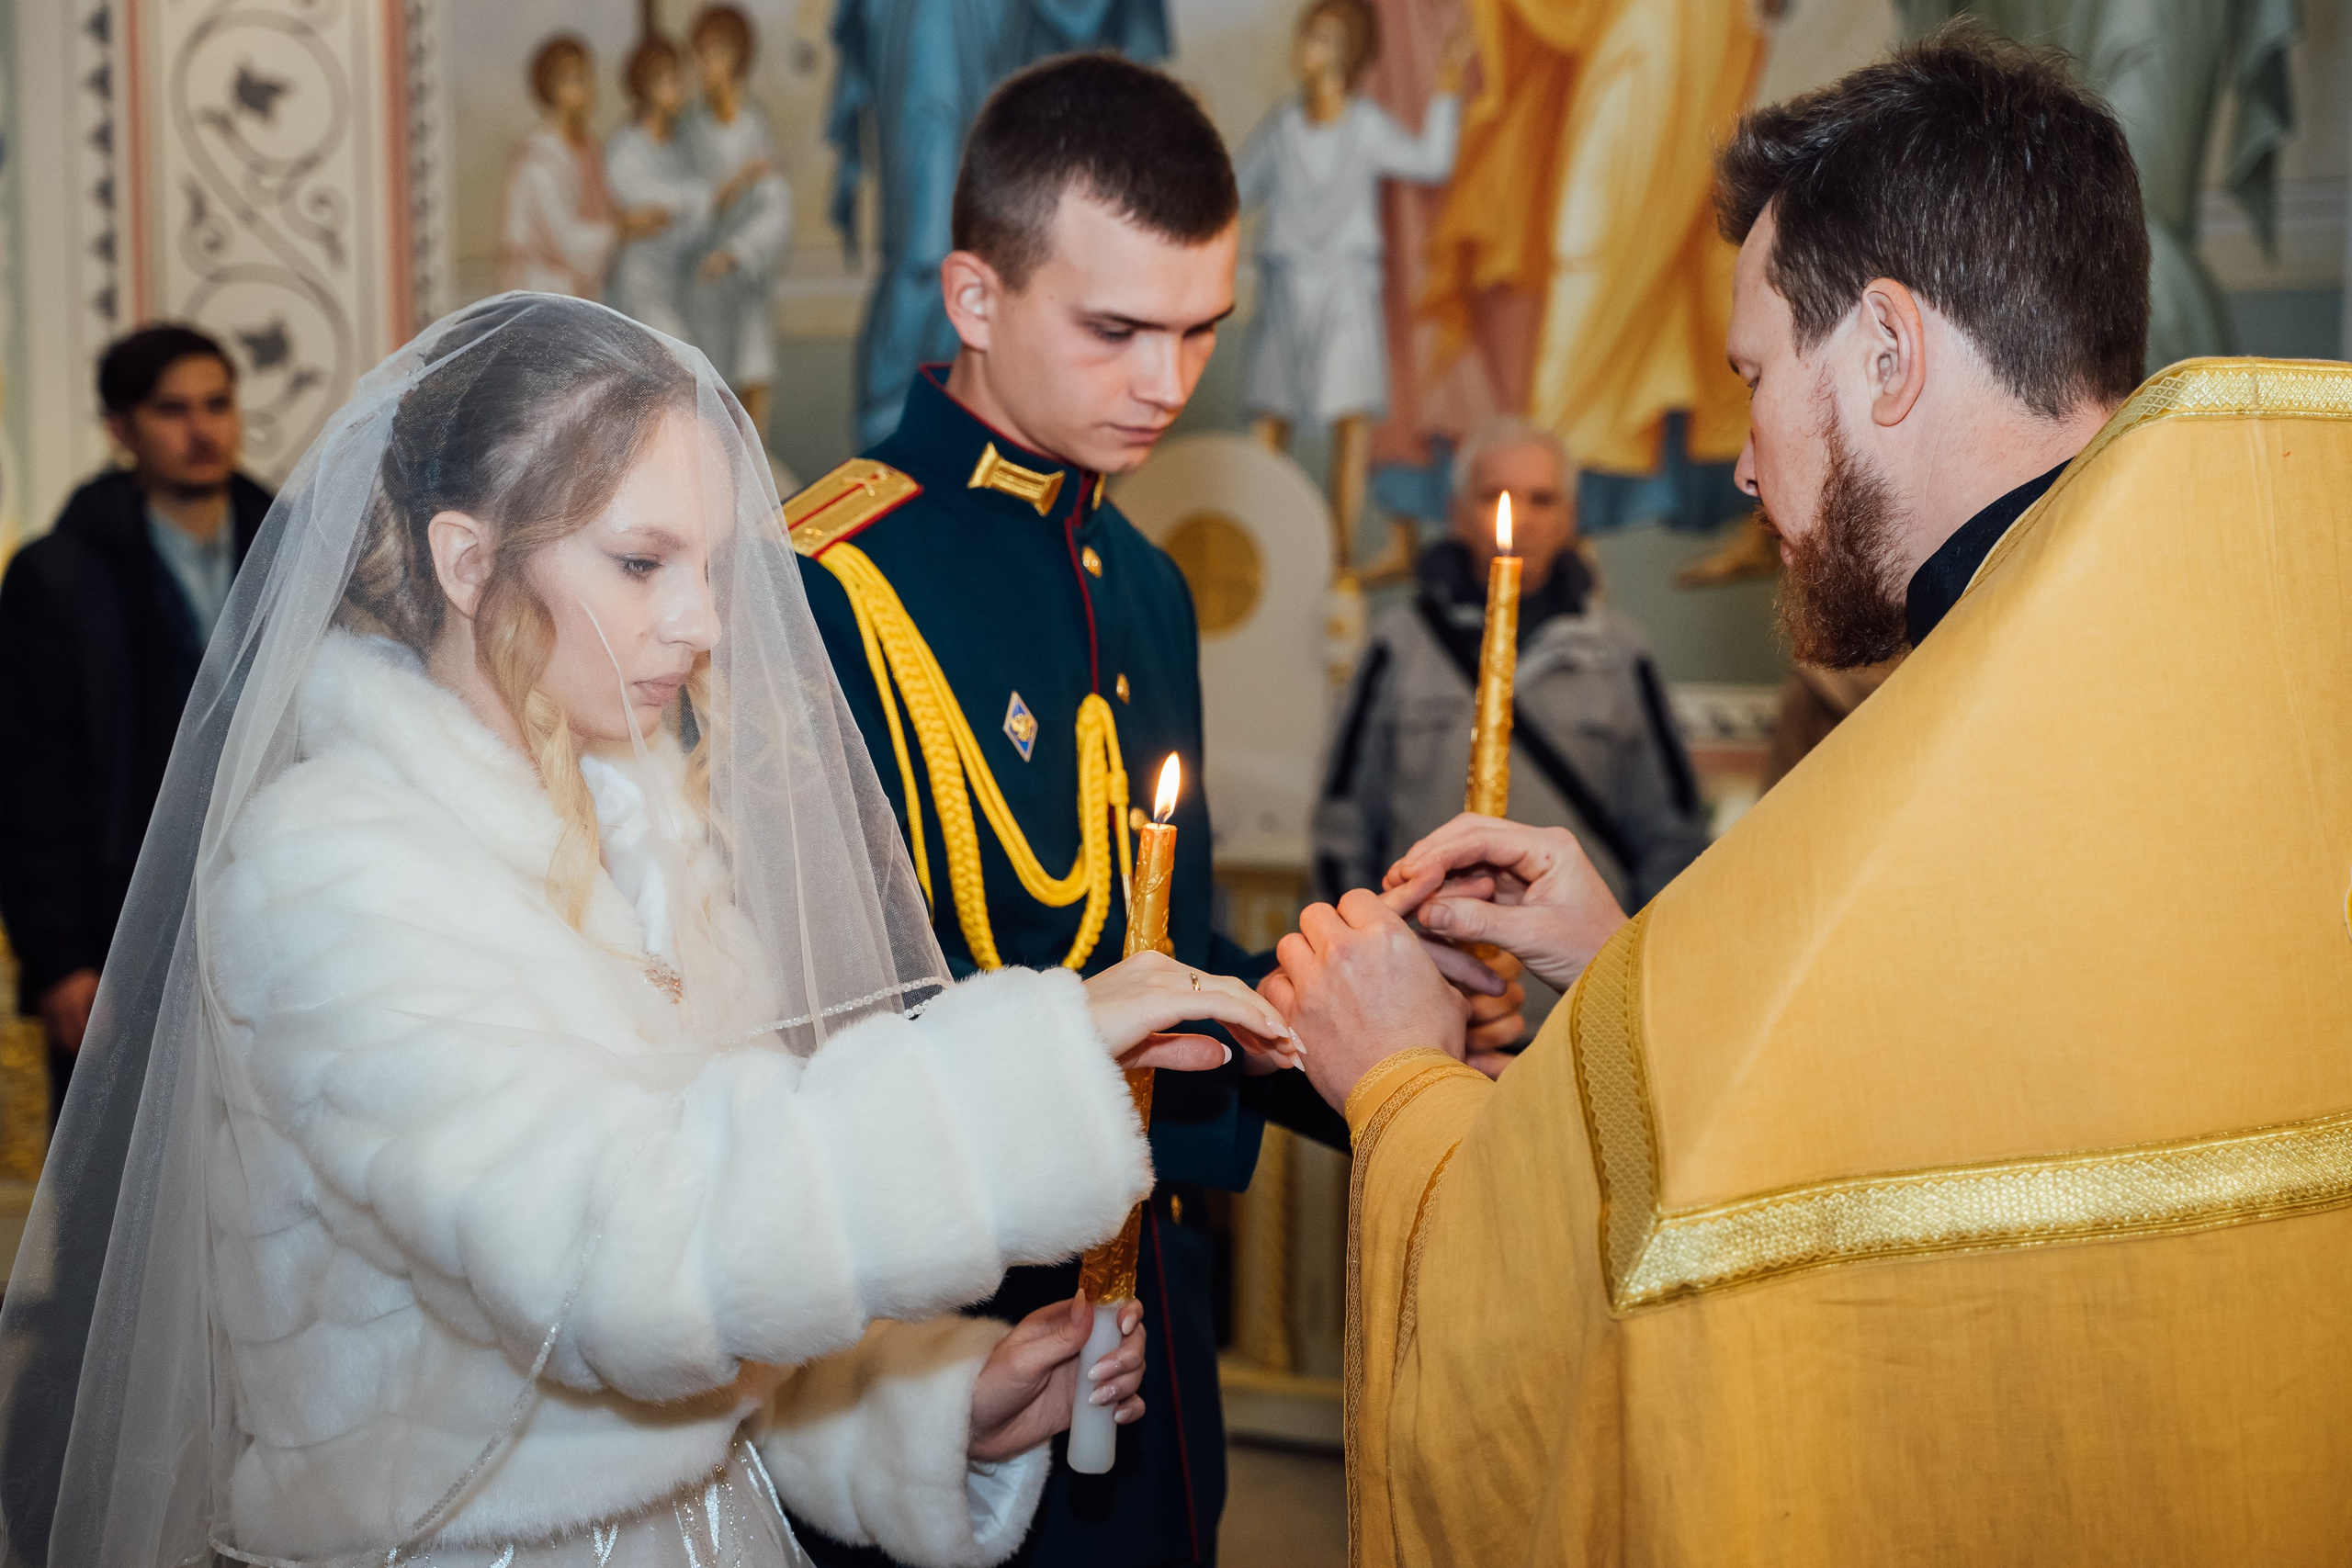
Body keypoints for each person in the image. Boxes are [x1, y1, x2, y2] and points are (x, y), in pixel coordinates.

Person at [1261, 31, 2352, 1562]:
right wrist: (1636, 959)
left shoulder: (1969, 733)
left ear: (1891, 354)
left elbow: (1589, 1352)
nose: (1742, 471)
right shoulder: (2261, 654)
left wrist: (1400, 1084)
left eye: (1755, 378)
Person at [0, 294, 1306, 1568]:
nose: (704, 619)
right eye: (642, 562)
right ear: (468, 560)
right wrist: (1046, 1048)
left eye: (711, 564)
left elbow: (703, 1324)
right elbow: (619, 1258)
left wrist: (922, 1410)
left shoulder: (651, 836)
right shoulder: (336, 870)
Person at [788, 54, 1504, 1568]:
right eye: (1115, 330)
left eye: (1200, 333)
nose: (1167, 385)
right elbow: (803, 1037)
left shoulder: (1147, 583)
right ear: (974, 297)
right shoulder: (827, 584)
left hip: (1153, 1331)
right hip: (951, 1343)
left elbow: (1170, 950)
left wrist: (1385, 1039)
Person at [1312, 415, 1705, 1052]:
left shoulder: (1619, 655)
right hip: (1421, 1002)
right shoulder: (1399, 645)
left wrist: (1639, 985)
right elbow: (1344, 824)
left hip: (1576, 1014)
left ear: (1572, 516)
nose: (1518, 517)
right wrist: (1361, 962)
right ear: (1456, 510)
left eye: (1542, 498)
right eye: (1496, 496)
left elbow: (1672, 837)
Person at [0, 325, 271, 1119]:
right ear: (121, 428)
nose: (202, 429)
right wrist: (62, 958)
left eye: (218, 404)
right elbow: (28, 783)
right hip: (121, 936)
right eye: (171, 409)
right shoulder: (58, 578)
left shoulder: (300, 550)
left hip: (271, 916)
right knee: (116, 1189)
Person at [823, 0, 1170, 450]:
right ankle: (890, 426)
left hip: (998, 19)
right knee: (925, 244)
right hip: (922, 18)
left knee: (991, 228)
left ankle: (961, 420)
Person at [1236, 0, 1462, 579]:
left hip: (1346, 293)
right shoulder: (1283, 127)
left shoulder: (1365, 127)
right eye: (1305, 38)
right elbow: (1233, 190)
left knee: (1350, 427)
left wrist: (1445, 90)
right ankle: (1261, 541)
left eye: (1318, 40)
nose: (1304, 51)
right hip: (1287, 289)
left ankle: (1336, 557)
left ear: (1344, 54)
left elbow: (1431, 161)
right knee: (1270, 421)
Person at [680, 5, 793, 442]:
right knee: (702, 388)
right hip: (698, 282)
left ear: (736, 58)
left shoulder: (754, 127)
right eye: (699, 54)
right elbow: (680, 201)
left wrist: (738, 252)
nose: (703, 66)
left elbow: (776, 206)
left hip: (745, 278)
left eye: (714, 54)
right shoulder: (688, 128)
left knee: (753, 365)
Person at [499, 35, 666, 299]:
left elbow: (602, 215)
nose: (587, 89)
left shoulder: (590, 149)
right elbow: (565, 242)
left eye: (588, 77)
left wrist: (630, 223)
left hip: (581, 292)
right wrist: (622, 229)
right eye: (574, 80)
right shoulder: (539, 160)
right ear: (551, 89)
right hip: (542, 294)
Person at [605, 35, 717, 339]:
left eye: (680, 77)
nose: (680, 87)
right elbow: (657, 212)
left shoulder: (679, 148)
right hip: (640, 286)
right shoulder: (627, 149)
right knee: (676, 364)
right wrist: (698, 201)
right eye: (669, 79)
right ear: (646, 88)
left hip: (674, 283)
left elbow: (687, 217)